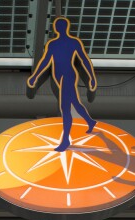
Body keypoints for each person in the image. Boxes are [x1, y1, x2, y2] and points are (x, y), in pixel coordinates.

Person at [27, 17, 98, 152]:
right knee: (75, 103)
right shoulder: (53, 44)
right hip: (59, 77)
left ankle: (65, 140)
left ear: (62, 28)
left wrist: (91, 77)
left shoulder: (73, 42)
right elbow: (45, 61)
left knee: (65, 108)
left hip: (68, 76)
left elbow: (84, 60)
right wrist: (35, 76)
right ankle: (90, 121)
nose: (59, 28)